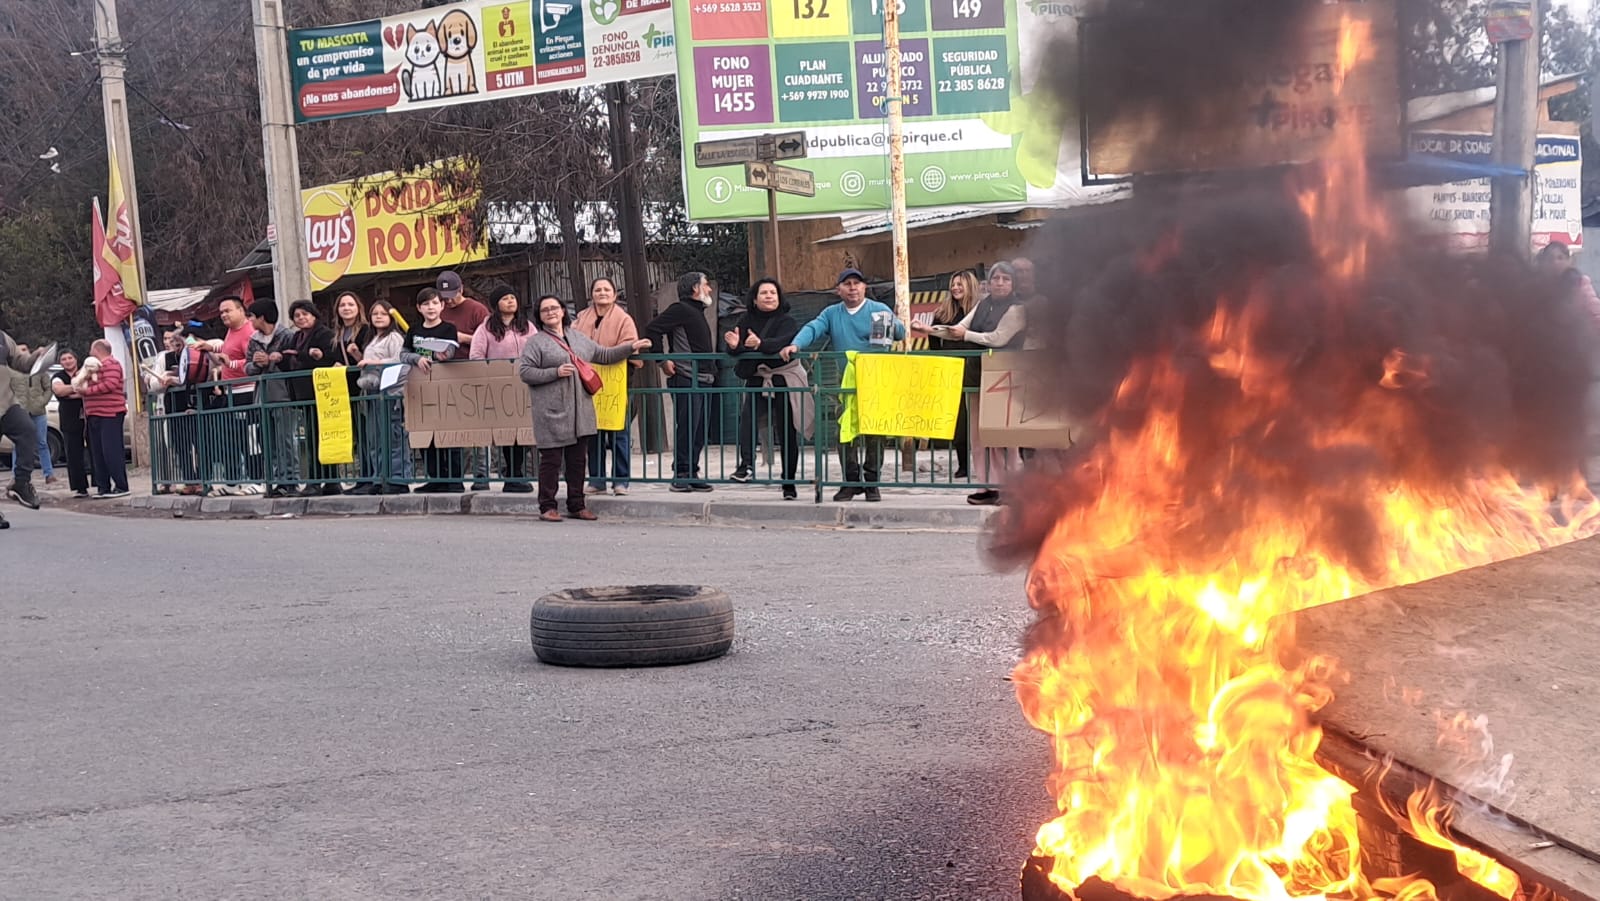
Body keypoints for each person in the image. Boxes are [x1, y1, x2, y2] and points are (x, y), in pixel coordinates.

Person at [519, 294, 651, 521]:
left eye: (554, 308)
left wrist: (631, 347)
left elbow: (603, 354)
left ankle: (577, 504)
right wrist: (554, 373)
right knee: (551, 462)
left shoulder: (577, 337)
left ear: (563, 311)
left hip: (581, 411)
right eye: (545, 310)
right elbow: (525, 372)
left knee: (578, 461)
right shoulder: (536, 342)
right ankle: (547, 506)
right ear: (540, 317)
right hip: (551, 412)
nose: (551, 312)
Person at [779, 267, 907, 502]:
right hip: (845, 381)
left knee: (875, 430)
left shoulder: (879, 310)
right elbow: (813, 328)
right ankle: (850, 480)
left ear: (864, 287)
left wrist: (897, 324)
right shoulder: (831, 313)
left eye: (857, 283)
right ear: (838, 290)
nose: (852, 288)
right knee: (844, 431)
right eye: (847, 284)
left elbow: (899, 333)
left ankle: (872, 482)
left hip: (876, 379)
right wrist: (796, 345)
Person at [914, 260, 1026, 505]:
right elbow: (957, 330)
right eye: (996, 278)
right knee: (979, 435)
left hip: (1004, 376)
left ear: (1013, 283)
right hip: (977, 375)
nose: (999, 283)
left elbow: (997, 338)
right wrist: (929, 330)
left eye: (1006, 279)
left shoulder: (1018, 309)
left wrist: (968, 335)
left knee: (1004, 435)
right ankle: (987, 486)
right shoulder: (983, 305)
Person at [725, 277, 810, 499]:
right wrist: (734, 346)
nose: (769, 296)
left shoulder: (787, 320)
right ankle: (746, 467)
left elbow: (784, 342)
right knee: (747, 421)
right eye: (764, 293)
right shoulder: (745, 320)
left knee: (786, 432)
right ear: (754, 299)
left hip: (783, 380)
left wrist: (760, 345)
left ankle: (788, 483)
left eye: (773, 292)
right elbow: (739, 349)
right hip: (757, 378)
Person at [644, 272, 718, 492]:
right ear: (695, 288)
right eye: (706, 284)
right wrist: (662, 360)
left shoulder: (697, 312)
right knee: (687, 426)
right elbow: (652, 329)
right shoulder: (681, 309)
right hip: (686, 376)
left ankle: (692, 470)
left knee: (700, 429)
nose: (710, 289)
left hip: (704, 378)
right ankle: (681, 473)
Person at [352, 300, 430, 494]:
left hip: (391, 391)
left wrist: (374, 361)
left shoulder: (394, 337)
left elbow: (399, 359)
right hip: (373, 391)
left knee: (394, 437)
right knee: (375, 438)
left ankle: (398, 478)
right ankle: (380, 477)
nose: (378, 316)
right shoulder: (372, 338)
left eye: (383, 313)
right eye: (375, 313)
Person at [574, 276, 640, 496]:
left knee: (619, 432)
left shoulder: (624, 319)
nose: (602, 293)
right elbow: (573, 342)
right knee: (593, 433)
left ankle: (621, 481)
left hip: (616, 383)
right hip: (588, 381)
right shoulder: (582, 317)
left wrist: (608, 355)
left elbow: (630, 346)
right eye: (598, 290)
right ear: (592, 294)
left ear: (614, 295)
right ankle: (597, 480)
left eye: (606, 289)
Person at [469, 284, 535, 492]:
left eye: (513, 297)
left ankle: (518, 473)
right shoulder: (486, 328)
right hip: (498, 387)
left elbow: (536, 349)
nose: (510, 301)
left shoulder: (527, 326)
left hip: (524, 386)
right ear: (496, 304)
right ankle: (508, 475)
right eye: (505, 298)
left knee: (521, 433)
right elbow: (476, 356)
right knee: (505, 434)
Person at [437, 270, 492, 491]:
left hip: (473, 370)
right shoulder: (440, 310)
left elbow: (489, 337)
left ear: (461, 289)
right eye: (444, 296)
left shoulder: (477, 309)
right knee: (453, 426)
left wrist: (461, 338)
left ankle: (482, 475)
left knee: (478, 425)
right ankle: (455, 476)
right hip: (447, 371)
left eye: (452, 294)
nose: (448, 300)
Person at [203, 295, 262, 495]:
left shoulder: (249, 333)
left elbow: (251, 362)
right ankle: (232, 480)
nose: (223, 315)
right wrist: (211, 347)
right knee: (230, 437)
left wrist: (230, 364)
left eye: (227, 310)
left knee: (251, 438)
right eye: (221, 312)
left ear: (240, 310)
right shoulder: (231, 331)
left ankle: (258, 479)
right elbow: (228, 349)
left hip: (247, 391)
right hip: (231, 391)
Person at [407, 287, 465, 492]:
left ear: (441, 305)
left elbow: (450, 350)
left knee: (449, 434)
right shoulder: (413, 330)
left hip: (446, 387)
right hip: (421, 389)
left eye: (434, 303)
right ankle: (435, 478)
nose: (430, 307)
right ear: (419, 308)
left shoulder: (449, 328)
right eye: (425, 304)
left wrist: (443, 355)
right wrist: (417, 358)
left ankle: (454, 479)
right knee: (426, 436)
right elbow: (404, 353)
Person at [926, 269, 981, 479]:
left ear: (970, 286)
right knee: (959, 420)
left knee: (979, 419)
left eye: (960, 284)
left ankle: (986, 464)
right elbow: (933, 340)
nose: (956, 288)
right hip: (953, 372)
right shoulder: (942, 312)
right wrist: (943, 360)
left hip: (976, 369)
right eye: (953, 284)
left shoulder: (980, 312)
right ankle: (963, 465)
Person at [245, 299, 302, 497]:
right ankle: (276, 480)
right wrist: (257, 364)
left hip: (284, 394)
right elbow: (247, 368)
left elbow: (292, 361)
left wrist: (272, 360)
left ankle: (291, 480)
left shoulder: (287, 336)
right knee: (268, 441)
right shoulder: (254, 340)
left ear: (262, 317)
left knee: (286, 439)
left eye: (251, 316)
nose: (250, 320)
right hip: (263, 395)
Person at [283, 300, 339, 496]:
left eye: (305, 314)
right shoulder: (296, 337)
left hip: (323, 392)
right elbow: (291, 360)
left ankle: (327, 481)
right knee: (312, 437)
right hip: (303, 392)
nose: (301, 318)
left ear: (314, 315)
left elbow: (329, 358)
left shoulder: (325, 334)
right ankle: (319, 480)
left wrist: (307, 355)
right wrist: (281, 359)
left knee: (324, 437)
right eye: (297, 316)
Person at [329, 291, 375, 493]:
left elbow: (369, 359)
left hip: (363, 387)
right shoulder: (337, 335)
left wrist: (356, 354)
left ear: (358, 308)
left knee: (368, 435)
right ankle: (362, 477)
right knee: (357, 435)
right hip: (344, 389)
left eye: (350, 304)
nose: (346, 308)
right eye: (342, 305)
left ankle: (371, 477)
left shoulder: (366, 330)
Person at [1, 328, 48, 510]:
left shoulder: (3, 338)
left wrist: (36, 355)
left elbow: (21, 363)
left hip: (6, 403)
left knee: (27, 431)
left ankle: (21, 483)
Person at [78, 339, 129, 499]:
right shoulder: (90, 368)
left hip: (110, 413)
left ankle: (121, 485)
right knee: (97, 452)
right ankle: (103, 486)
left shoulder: (111, 364)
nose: (90, 353)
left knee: (111, 451)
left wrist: (87, 391)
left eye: (92, 350)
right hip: (94, 413)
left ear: (97, 350)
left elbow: (111, 384)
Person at [156, 327, 201, 494]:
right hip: (173, 406)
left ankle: (203, 479)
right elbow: (155, 381)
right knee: (180, 445)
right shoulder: (166, 358)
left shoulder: (195, 354)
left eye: (179, 343)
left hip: (193, 404)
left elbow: (193, 376)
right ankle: (189, 480)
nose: (176, 347)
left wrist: (174, 379)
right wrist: (163, 379)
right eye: (173, 343)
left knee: (199, 443)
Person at [51, 349, 90, 498]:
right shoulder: (57, 376)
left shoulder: (84, 372)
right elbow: (58, 390)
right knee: (73, 454)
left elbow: (87, 390)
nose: (67, 361)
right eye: (64, 359)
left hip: (88, 416)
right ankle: (80, 488)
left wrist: (72, 392)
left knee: (95, 451)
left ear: (76, 359)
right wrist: (76, 388)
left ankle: (100, 484)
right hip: (69, 419)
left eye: (70, 358)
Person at [10, 367, 53, 486]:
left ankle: (49, 474)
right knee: (18, 444)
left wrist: (42, 401)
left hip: (38, 412)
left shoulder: (40, 370)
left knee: (42, 443)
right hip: (20, 412)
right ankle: (15, 476)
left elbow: (48, 388)